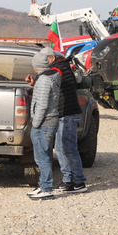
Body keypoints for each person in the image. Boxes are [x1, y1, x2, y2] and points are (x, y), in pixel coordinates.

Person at [45, 48, 88, 194]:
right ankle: (69, 181)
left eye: (45, 59)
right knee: (62, 148)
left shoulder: (58, 69)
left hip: (67, 114)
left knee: (68, 148)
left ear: (51, 57)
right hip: (65, 114)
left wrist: (36, 81)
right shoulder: (63, 67)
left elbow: (47, 82)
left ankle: (78, 182)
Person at [26, 51, 60, 199]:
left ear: (36, 65)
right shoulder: (47, 77)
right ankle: (43, 185)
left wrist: (36, 122)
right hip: (46, 122)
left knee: (43, 157)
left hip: (44, 123)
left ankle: (46, 188)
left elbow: (42, 104)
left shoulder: (45, 80)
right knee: (41, 155)